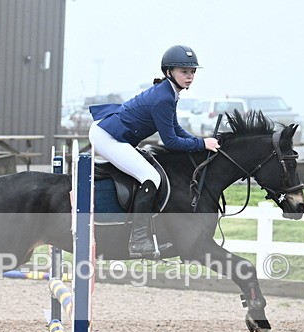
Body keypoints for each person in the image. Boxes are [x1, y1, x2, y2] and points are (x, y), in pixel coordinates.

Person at [88, 45, 220, 259]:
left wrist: (200, 141)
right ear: (169, 72)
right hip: (107, 137)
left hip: (112, 131)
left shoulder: (169, 92)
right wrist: (201, 144)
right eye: (184, 71)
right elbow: (169, 141)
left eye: (192, 72)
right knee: (150, 176)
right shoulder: (164, 97)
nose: (190, 76)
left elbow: (175, 129)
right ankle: (139, 239)